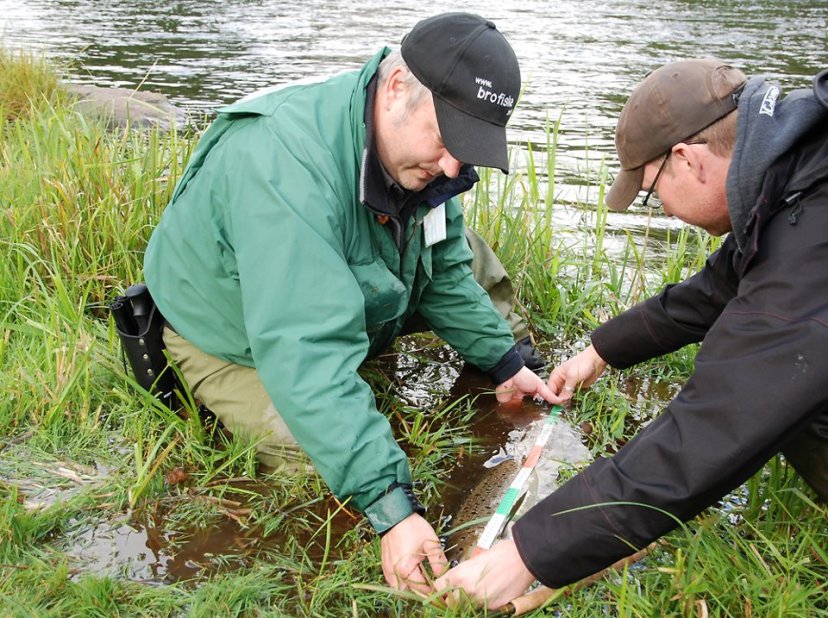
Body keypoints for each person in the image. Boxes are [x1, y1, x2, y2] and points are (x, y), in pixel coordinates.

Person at [142, 12, 558, 594]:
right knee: (319, 464)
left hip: (345, 284)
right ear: (395, 91)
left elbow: (443, 275)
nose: (452, 167)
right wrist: (392, 507)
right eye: (446, 140)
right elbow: (304, 349)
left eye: (468, 149)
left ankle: (508, 369)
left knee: (473, 260)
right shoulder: (284, 162)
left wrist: (505, 362)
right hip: (234, 333)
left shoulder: (433, 167)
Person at [435, 59, 828, 607]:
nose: (662, 210)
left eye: (650, 193)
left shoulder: (811, 237)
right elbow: (714, 290)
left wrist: (525, 554)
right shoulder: (800, 171)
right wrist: (599, 351)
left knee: (785, 395)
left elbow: (715, 426)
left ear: (686, 160)